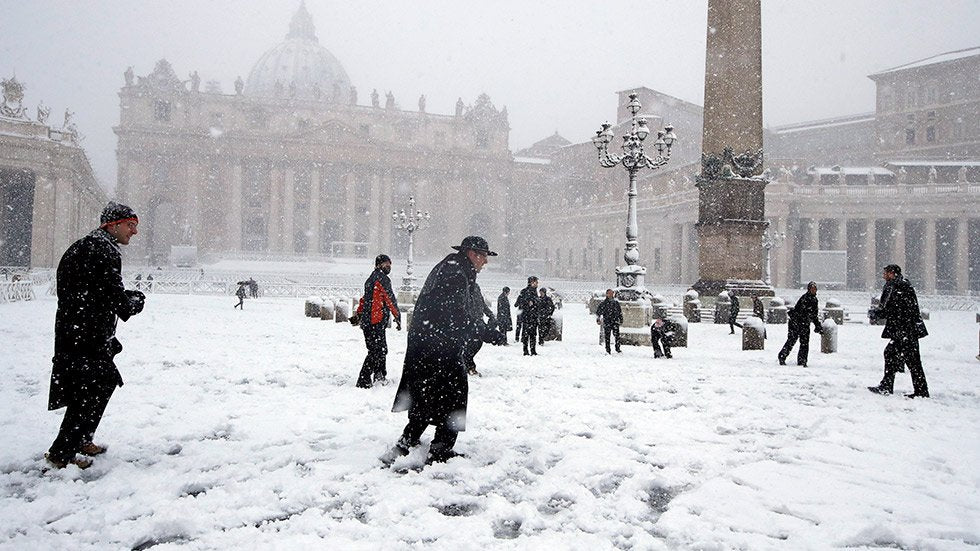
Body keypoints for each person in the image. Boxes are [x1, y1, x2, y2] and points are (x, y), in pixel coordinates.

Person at [45, 202, 145, 470]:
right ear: (111, 225)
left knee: (100, 384)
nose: (134, 232)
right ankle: (60, 454)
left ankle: (81, 439)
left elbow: (96, 291)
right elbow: (117, 299)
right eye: (130, 225)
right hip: (84, 335)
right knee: (88, 390)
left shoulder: (91, 245)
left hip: (79, 330)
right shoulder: (101, 249)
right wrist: (135, 300)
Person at [384, 236, 497, 466]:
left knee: (427, 394)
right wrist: (480, 329)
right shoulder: (455, 273)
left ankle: (407, 441)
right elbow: (453, 312)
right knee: (452, 396)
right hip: (438, 345)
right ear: (473, 254)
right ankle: (440, 449)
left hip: (428, 343)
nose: (485, 262)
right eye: (484, 256)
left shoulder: (453, 267)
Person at [868, 265, 930, 398]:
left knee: (912, 360)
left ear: (892, 273)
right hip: (903, 329)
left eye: (885, 273)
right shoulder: (897, 285)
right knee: (893, 354)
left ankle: (920, 391)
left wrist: (878, 313)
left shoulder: (899, 286)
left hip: (906, 330)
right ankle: (888, 385)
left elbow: (895, 307)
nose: (883, 275)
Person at [355, 255, 401, 388]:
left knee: (379, 349)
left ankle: (380, 374)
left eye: (390, 264)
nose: (389, 267)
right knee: (377, 351)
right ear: (379, 265)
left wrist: (359, 314)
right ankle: (364, 379)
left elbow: (365, 299)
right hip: (375, 321)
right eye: (387, 264)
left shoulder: (371, 279)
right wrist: (397, 316)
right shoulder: (382, 279)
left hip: (369, 321)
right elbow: (390, 299)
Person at [778, 282, 822, 367]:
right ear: (809, 289)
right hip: (796, 323)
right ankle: (782, 357)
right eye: (812, 289)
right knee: (791, 341)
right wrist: (815, 324)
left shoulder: (814, 300)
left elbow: (814, 315)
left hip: (804, 324)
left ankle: (802, 361)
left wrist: (817, 325)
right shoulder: (804, 298)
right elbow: (803, 312)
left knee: (804, 343)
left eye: (815, 289)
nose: (813, 290)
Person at [465, 282, 495, 377]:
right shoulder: (464, 285)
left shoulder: (476, 286)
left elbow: (482, 303)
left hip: (479, 320)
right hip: (470, 321)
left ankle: (467, 364)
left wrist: (490, 314)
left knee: (478, 343)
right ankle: (469, 366)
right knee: (471, 344)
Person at [515, 276, 540, 355]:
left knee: (530, 334)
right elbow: (523, 303)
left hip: (530, 316)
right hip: (529, 316)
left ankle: (531, 350)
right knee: (529, 334)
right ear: (532, 282)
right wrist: (531, 303)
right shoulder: (527, 291)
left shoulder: (533, 291)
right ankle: (527, 350)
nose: (537, 284)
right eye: (536, 282)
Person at [596, 289, 623, 354]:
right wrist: (598, 319)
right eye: (609, 293)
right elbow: (598, 312)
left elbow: (619, 312)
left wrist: (621, 319)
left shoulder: (616, 303)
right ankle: (608, 350)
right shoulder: (603, 303)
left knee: (617, 336)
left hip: (615, 321)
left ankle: (617, 348)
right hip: (607, 321)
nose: (611, 295)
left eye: (612, 293)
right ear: (607, 294)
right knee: (607, 336)